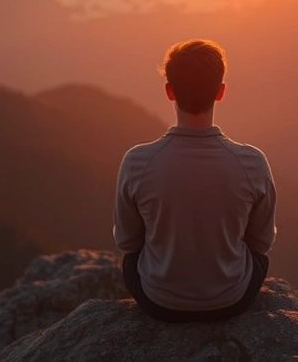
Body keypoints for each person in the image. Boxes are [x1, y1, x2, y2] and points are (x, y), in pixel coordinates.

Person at [112, 39, 277, 322]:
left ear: (169, 91)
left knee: (132, 258)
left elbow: (127, 242)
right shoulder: (252, 163)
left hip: (158, 301)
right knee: (258, 257)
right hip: (231, 300)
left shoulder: (137, 162)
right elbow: (261, 243)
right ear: (221, 91)